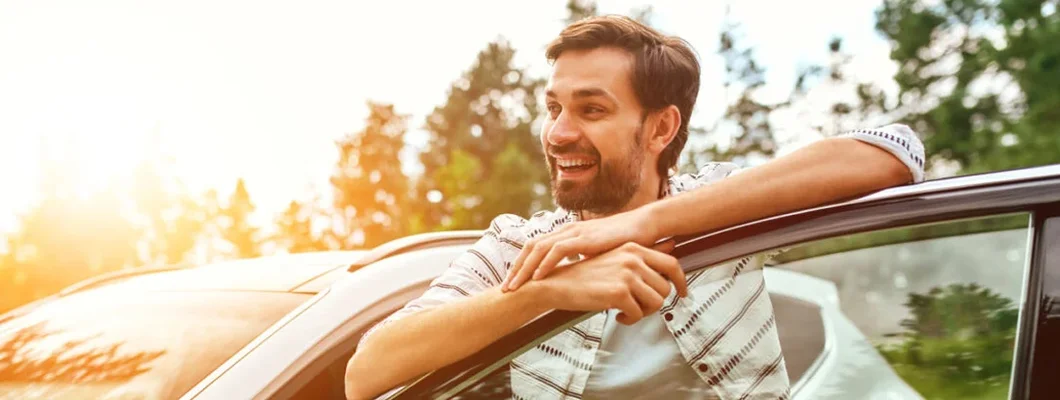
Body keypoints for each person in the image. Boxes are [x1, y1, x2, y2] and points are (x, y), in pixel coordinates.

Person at [345, 15, 925, 400]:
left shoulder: (720, 210)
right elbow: (366, 371)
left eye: (591, 110)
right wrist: (549, 291)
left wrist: (641, 225)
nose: (557, 134)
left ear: (661, 128)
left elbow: (894, 153)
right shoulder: (518, 247)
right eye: (554, 108)